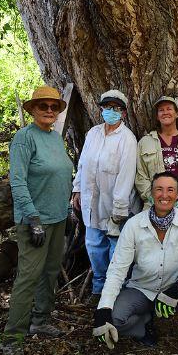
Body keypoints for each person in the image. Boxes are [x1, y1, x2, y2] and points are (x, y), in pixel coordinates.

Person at [92, 171, 178, 355]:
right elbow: (117, 269)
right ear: (151, 194)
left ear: (177, 195)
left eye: (170, 190)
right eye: (159, 189)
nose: (164, 195)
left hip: (175, 292)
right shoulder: (134, 225)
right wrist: (103, 309)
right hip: (142, 290)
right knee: (114, 321)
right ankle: (145, 324)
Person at [2, 85, 74, 355]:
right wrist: (33, 218)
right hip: (34, 220)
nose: (48, 110)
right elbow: (17, 181)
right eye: (43, 106)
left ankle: (40, 321)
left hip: (56, 219)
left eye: (53, 106)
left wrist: (65, 211)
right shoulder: (24, 138)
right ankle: (12, 338)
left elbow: (61, 176)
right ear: (32, 109)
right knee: (28, 276)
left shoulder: (55, 138)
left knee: (51, 271)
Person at [72, 90, 140, 304]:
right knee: (94, 246)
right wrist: (77, 189)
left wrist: (119, 209)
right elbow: (83, 164)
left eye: (116, 108)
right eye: (107, 107)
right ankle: (99, 288)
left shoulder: (127, 139)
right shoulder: (93, 133)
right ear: (101, 109)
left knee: (116, 250)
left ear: (124, 113)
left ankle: (116, 292)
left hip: (115, 205)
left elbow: (126, 176)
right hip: (91, 202)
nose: (111, 112)